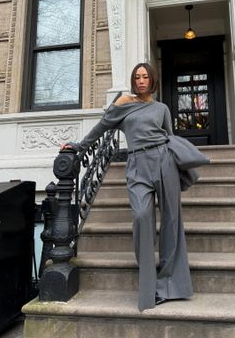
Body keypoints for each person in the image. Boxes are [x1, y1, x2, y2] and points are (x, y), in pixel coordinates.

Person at [61, 62, 193, 311]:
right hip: (137, 164)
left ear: (152, 80)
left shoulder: (162, 108)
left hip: (164, 162)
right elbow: (102, 126)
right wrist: (79, 146)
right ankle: (148, 286)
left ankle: (168, 286)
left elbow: (170, 136)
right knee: (142, 216)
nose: (141, 80)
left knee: (172, 223)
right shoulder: (124, 106)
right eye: (137, 77)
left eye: (145, 77)